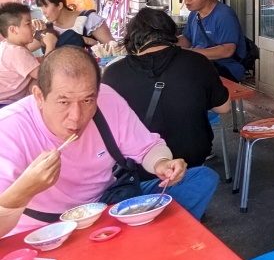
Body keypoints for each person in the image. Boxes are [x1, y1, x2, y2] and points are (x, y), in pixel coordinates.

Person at [0, 47, 218, 237]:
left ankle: (154, 244)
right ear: (39, 96)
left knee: (201, 178)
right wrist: (25, 191)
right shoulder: (9, 129)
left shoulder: (107, 99)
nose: (76, 116)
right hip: (45, 229)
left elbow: (147, 147)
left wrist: (162, 163)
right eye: (63, 101)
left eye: (87, 100)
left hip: (105, 208)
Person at [103, 9, 231, 175]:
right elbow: (224, 107)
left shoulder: (114, 73)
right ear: (171, 32)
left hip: (137, 166)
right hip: (191, 159)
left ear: (133, 36)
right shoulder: (197, 62)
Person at [177, 0, 247, 82]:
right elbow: (187, 39)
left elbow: (227, 51)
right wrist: (167, 43)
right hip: (201, 63)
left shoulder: (224, 15)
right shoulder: (194, 13)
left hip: (226, 67)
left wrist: (190, 53)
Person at [0, 2, 55, 105]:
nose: (33, 27)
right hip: (6, 105)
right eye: (28, 24)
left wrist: (41, 33)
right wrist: (50, 45)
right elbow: (45, 75)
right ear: (13, 30)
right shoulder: (16, 52)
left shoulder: (7, 46)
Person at [34, 0, 114, 51]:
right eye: (41, 7)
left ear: (59, 5)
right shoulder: (47, 28)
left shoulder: (89, 19)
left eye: (46, 6)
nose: (43, 12)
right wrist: (30, 26)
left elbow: (112, 47)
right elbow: (25, 48)